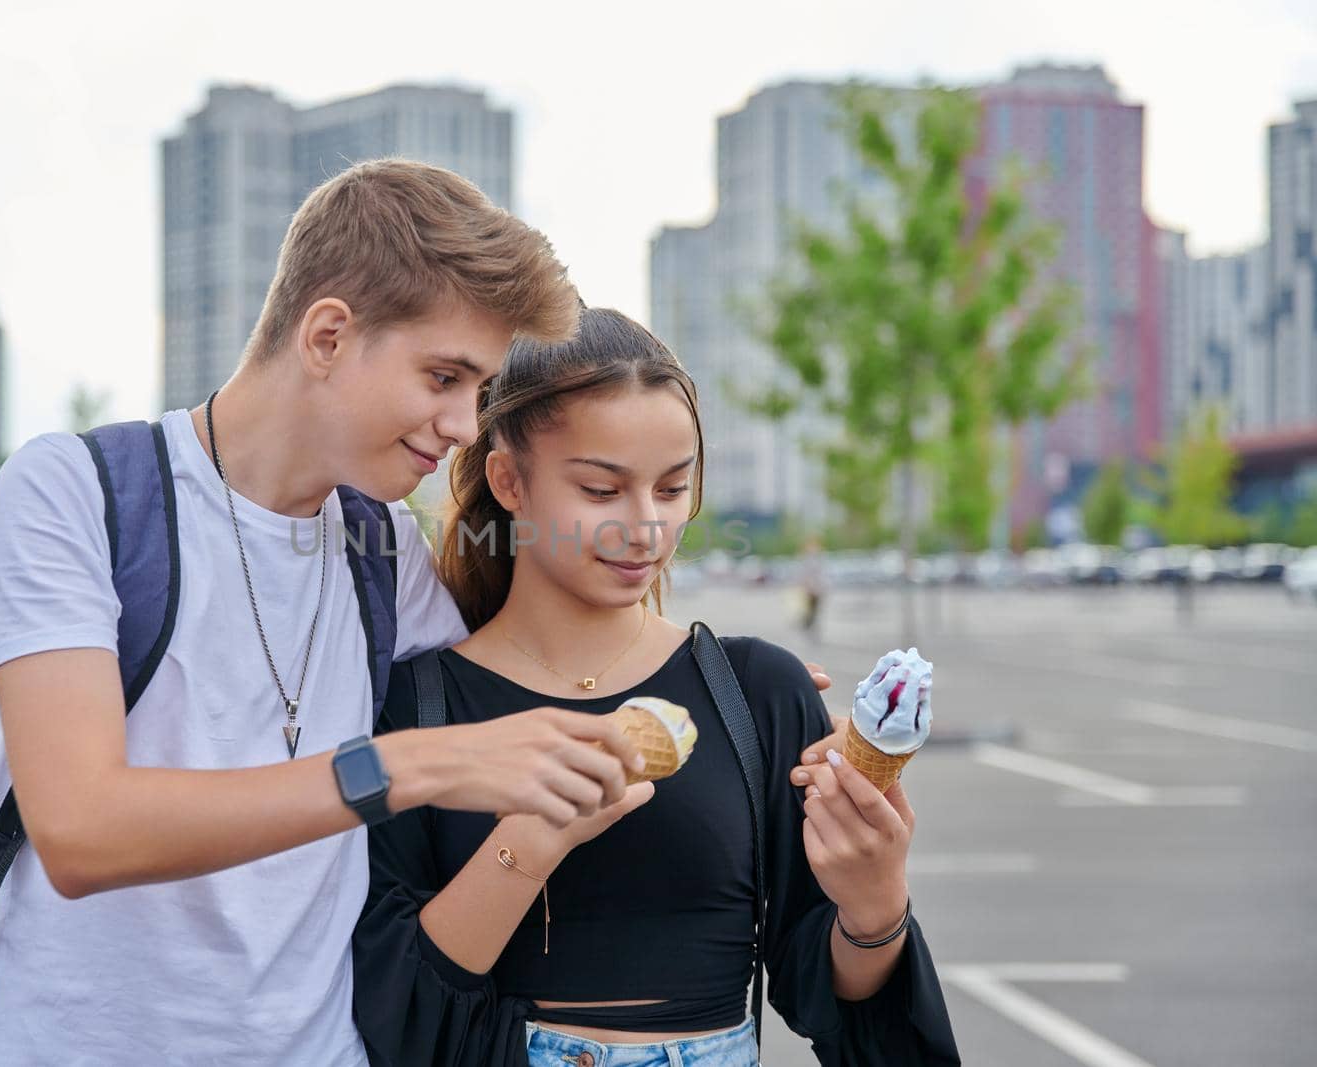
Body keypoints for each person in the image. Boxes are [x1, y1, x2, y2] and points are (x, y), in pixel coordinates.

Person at [0, 161, 659, 1066]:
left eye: (478, 392)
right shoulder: (74, 492)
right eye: (443, 376)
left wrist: (744, 700)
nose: (464, 428)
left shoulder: (384, 546)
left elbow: (514, 692)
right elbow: (82, 830)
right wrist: (401, 765)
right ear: (327, 334)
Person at [353, 308, 959, 1066]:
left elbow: (827, 997)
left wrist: (875, 904)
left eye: (672, 489)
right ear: (509, 480)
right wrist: (534, 836)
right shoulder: (416, 710)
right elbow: (402, 1012)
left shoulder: (757, 690)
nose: (646, 527)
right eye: (602, 491)